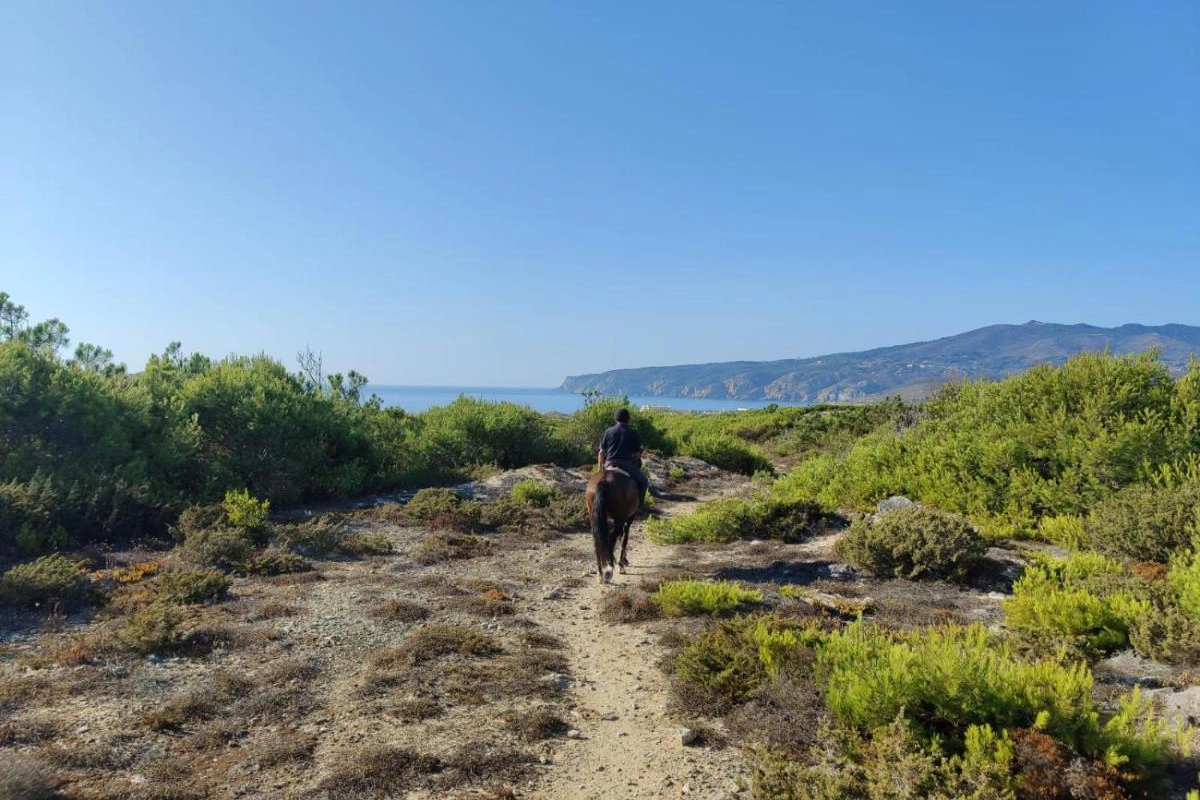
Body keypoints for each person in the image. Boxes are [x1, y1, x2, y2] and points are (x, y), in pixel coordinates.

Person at [597, 408, 650, 510]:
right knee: (643, 481)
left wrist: (599, 469)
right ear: (628, 419)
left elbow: (601, 452)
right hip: (627, 465)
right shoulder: (633, 433)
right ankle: (639, 506)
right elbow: (637, 454)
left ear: (615, 418)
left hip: (609, 464)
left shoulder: (608, 431)